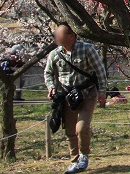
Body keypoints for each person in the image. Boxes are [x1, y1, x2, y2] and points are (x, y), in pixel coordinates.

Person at [44, 23, 108, 174]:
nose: (56, 37)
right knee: (70, 131)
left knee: (82, 128)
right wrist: (51, 87)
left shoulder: (87, 49)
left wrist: (102, 92)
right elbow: (48, 73)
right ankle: (75, 160)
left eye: (59, 34)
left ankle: (84, 156)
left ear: (71, 36)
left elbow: (100, 71)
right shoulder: (55, 54)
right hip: (67, 96)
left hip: (87, 94)